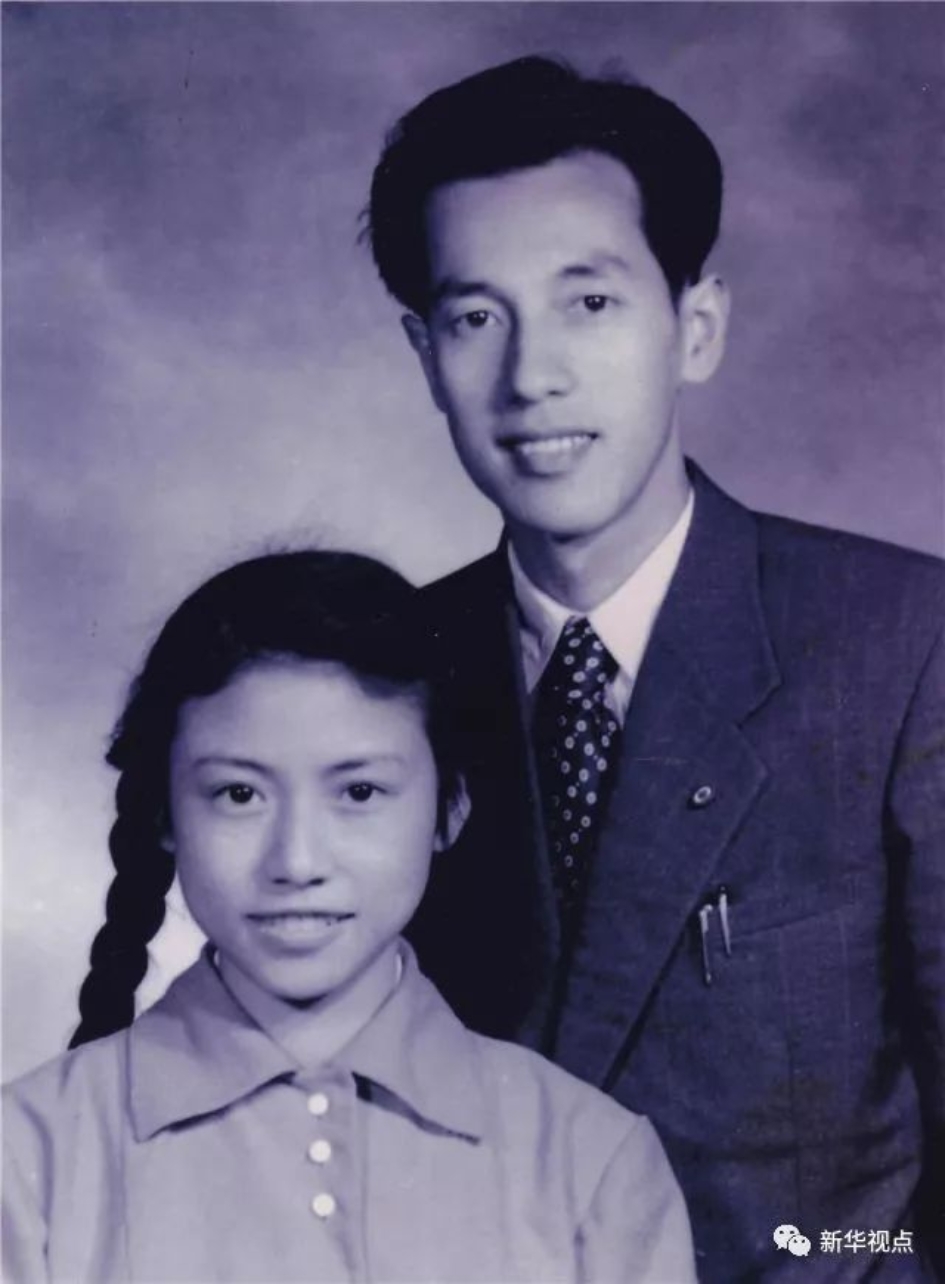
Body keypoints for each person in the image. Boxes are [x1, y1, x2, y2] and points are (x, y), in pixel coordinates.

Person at [366, 56, 945, 1281]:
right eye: (477, 319)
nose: (532, 376)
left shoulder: (903, 645)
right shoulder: (384, 672)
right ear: (423, 356)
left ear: (695, 328)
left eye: (588, 302)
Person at [2, 550, 695, 1284]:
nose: (297, 861)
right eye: (239, 794)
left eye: (359, 793)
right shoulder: (26, 1159)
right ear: (164, 815)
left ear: (450, 808)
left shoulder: (592, 1163)